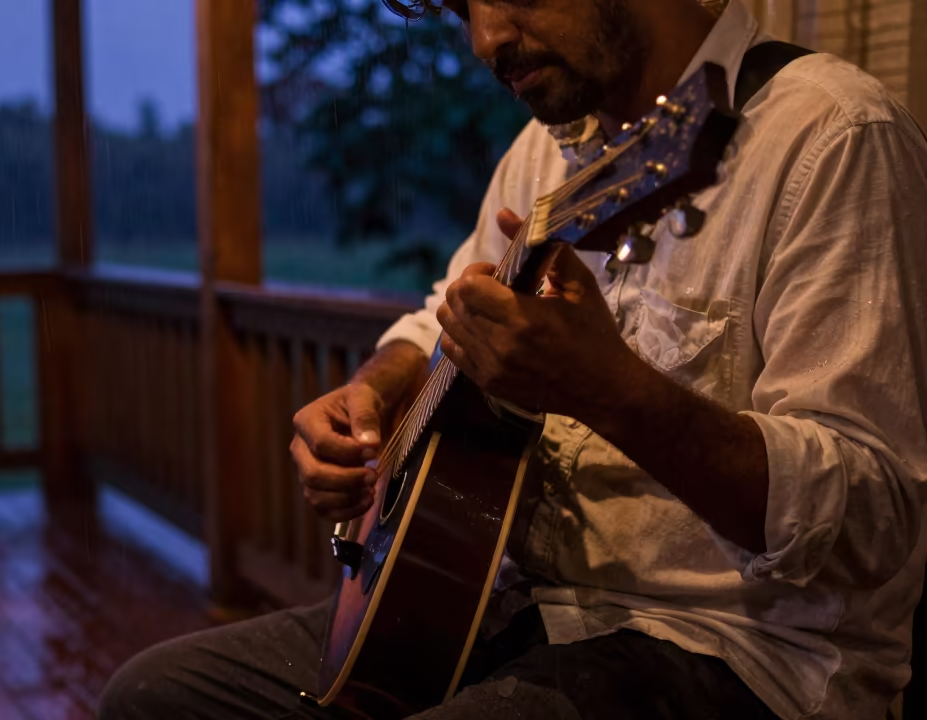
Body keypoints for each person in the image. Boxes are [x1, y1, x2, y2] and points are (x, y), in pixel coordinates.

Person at [98, 0, 927, 717]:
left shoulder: (832, 136)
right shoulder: (546, 151)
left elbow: (873, 521)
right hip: (505, 606)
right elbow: (441, 315)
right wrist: (374, 397)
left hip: (734, 652)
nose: (487, 38)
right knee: (153, 696)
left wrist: (610, 390)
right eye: (463, 8)